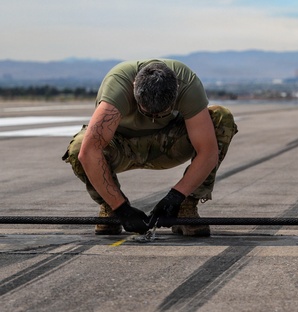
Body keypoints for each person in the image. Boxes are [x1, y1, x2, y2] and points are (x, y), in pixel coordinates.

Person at [63, 59, 237, 236]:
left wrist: (176, 197)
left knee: (221, 118)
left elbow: (207, 152)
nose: (153, 118)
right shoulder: (117, 86)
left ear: (177, 89)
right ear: (133, 86)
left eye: (161, 114)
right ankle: (110, 208)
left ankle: (186, 207)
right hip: (122, 146)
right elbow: (90, 151)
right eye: (147, 113)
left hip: (167, 143)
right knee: (80, 147)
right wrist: (121, 208)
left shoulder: (188, 85)